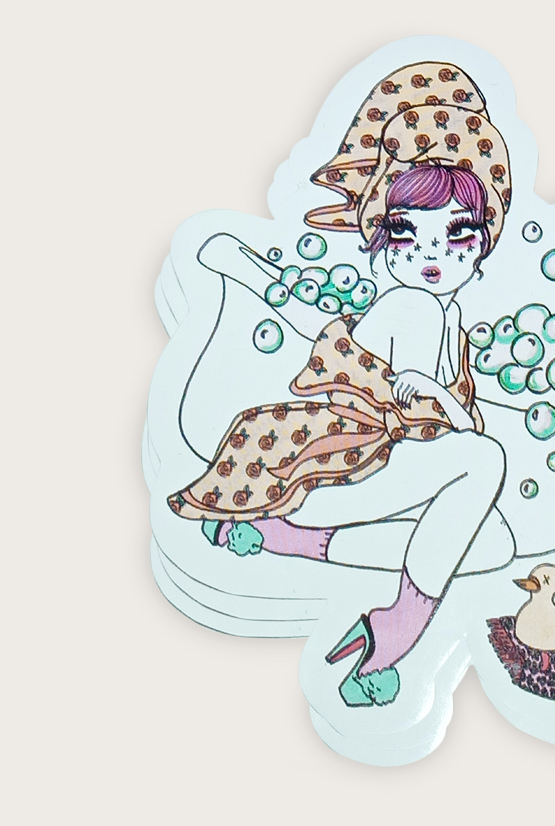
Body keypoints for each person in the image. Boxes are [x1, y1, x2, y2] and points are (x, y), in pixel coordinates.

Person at [167, 62, 515, 706]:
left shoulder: (450, 320)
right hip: (333, 470)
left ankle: (283, 542)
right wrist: (442, 402)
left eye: (457, 236)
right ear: (381, 235)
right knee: (484, 466)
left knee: (490, 535)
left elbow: (453, 421)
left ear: (481, 243)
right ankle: (395, 629)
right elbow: (441, 421)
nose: (431, 255)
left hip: (377, 475)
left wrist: (445, 401)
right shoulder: (411, 307)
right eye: (407, 234)